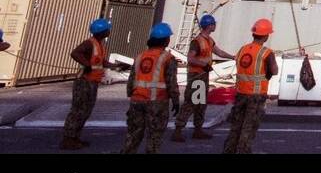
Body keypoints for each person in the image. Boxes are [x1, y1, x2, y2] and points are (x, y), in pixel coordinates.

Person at [173, 13, 234, 142]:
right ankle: (178, 129)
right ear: (209, 25)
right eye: (213, 24)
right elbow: (190, 58)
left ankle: (197, 130)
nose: (215, 26)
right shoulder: (197, 42)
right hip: (197, 77)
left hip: (203, 77)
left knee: (201, 104)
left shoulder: (209, 40)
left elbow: (219, 52)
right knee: (192, 103)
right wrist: (204, 65)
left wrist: (233, 57)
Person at [122, 23, 180, 154]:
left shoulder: (140, 56)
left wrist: (131, 95)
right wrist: (176, 101)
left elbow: (132, 79)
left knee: (133, 134)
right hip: (157, 102)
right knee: (154, 137)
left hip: (137, 100)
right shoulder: (167, 58)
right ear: (166, 40)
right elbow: (171, 82)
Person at [222, 18, 277, 155]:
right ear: (266, 36)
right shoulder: (267, 53)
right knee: (248, 128)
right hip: (256, 96)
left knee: (236, 127)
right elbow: (274, 71)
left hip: (241, 93)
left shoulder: (243, 49)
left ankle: (228, 151)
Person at [61, 17, 112, 150]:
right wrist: (86, 64)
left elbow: (101, 62)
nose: (109, 31)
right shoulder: (89, 43)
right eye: (108, 29)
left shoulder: (99, 44)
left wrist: (115, 66)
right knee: (78, 110)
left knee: (86, 111)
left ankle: (75, 137)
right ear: (102, 31)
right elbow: (75, 53)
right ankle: (68, 139)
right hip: (84, 82)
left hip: (92, 82)